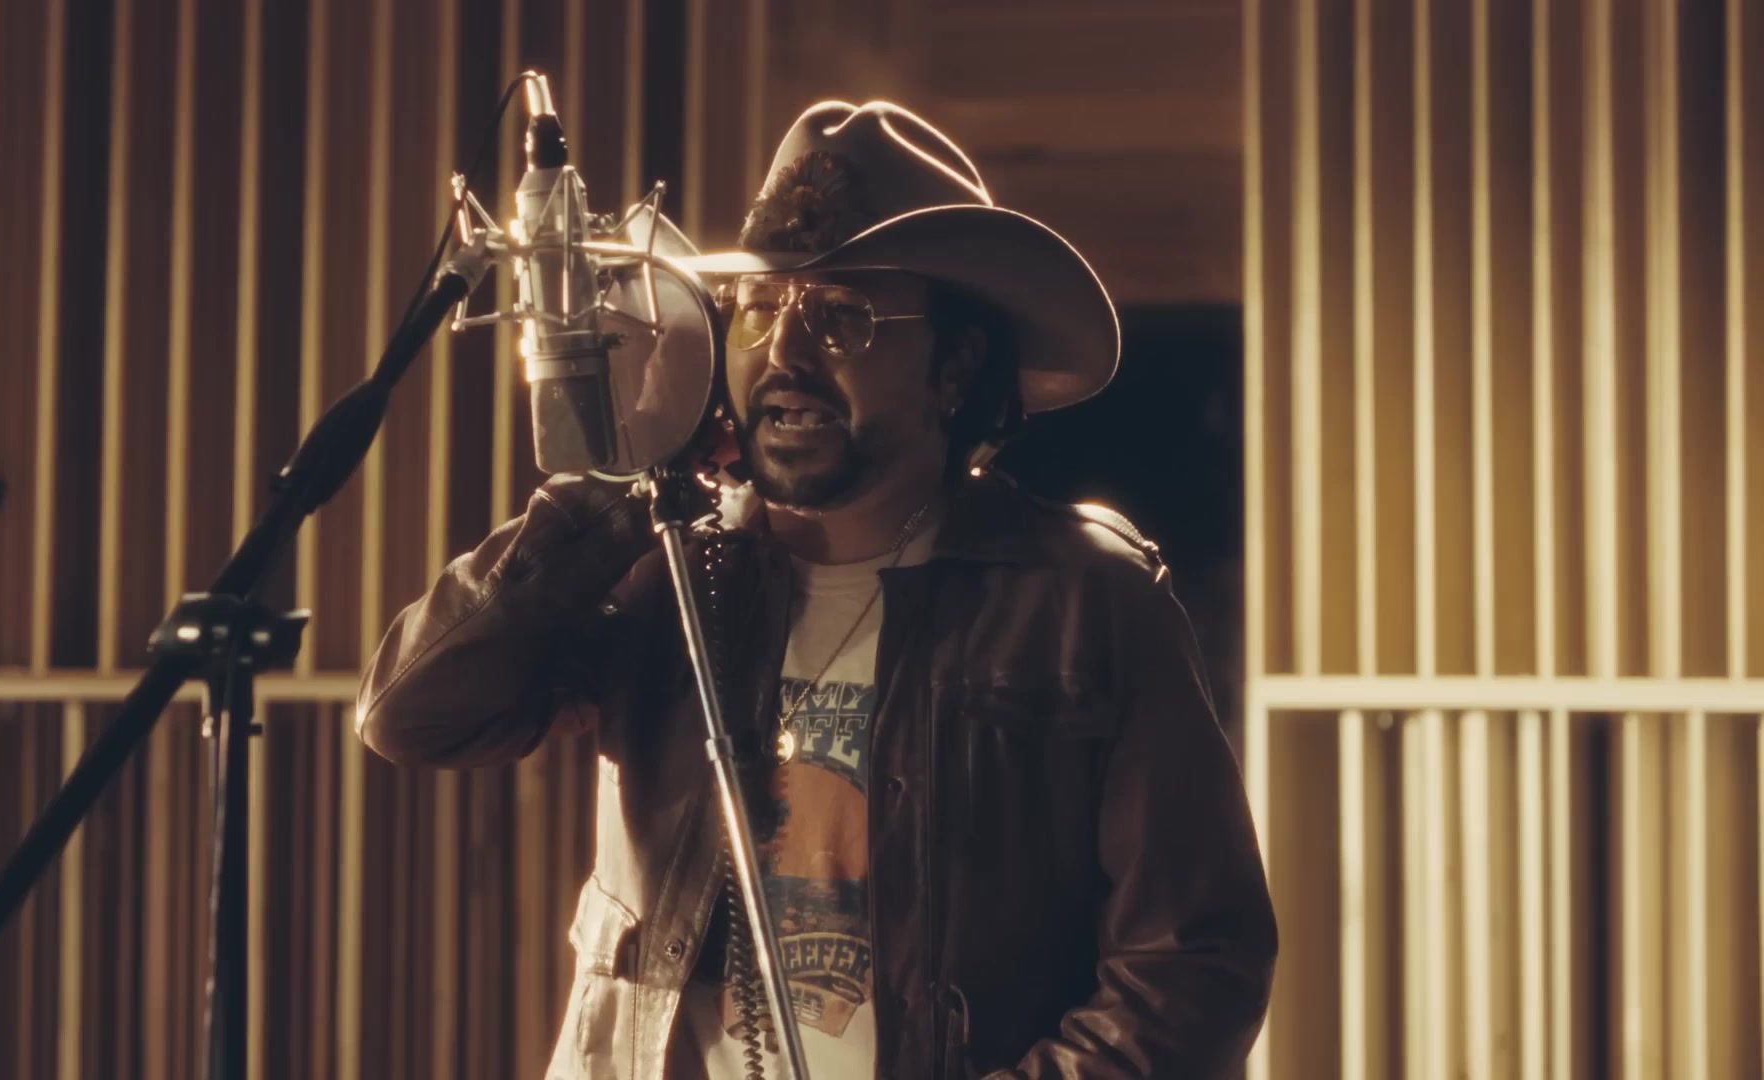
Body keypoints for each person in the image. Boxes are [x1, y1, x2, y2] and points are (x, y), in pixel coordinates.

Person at [357, 100, 1276, 1079]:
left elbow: (1193, 966)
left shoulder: (1084, 602)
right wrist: (623, 487)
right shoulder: (667, 570)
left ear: (956, 366)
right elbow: (413, 714)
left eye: (842, 316)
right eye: (761, 308)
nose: (784, 354)